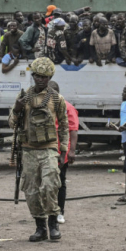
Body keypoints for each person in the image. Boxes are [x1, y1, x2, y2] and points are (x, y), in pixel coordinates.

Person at [8, 58, 68, 242]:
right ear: (33, 75)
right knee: (31, 190)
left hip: (48, 148)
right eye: (37, 76)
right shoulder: (23, 97)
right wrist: (17, 109)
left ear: (50, 77)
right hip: (28, 149)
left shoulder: (56, 99)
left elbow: (64, 125)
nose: (40, 79)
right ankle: (40, 226)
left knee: (50, 185)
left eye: (44, 76)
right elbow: (12, 124)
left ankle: (53, 224)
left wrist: (64, 149)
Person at [49, 81, 78, 224]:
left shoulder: (67, 107)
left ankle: (60, 211)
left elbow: (73, 130)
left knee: (60, 182)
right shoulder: (43, 106)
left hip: (61, 151)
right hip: (46, 150)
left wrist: (71, 151)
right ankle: (49, 210)